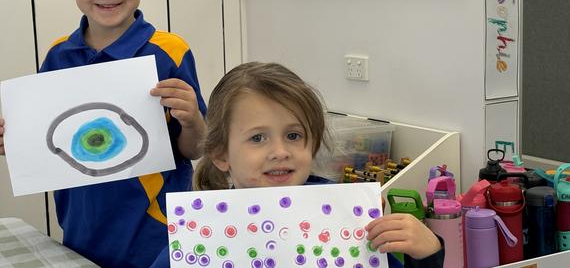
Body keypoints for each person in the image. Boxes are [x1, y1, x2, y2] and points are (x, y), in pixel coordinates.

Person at [0, 0, 206, 268]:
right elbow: (50, 140)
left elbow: (194, 148)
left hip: (156, 236)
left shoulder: (169, 52)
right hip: (80, 232)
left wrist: (192, 118)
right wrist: (15, 141)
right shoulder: (57, 55)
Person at [154, 62, 444, 267]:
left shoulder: (345, 218)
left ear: (313, 143)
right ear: (220, 154)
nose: (280, 151)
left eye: (294, 135)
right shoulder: (198, 229)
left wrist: (427, 252)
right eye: (258, 138)